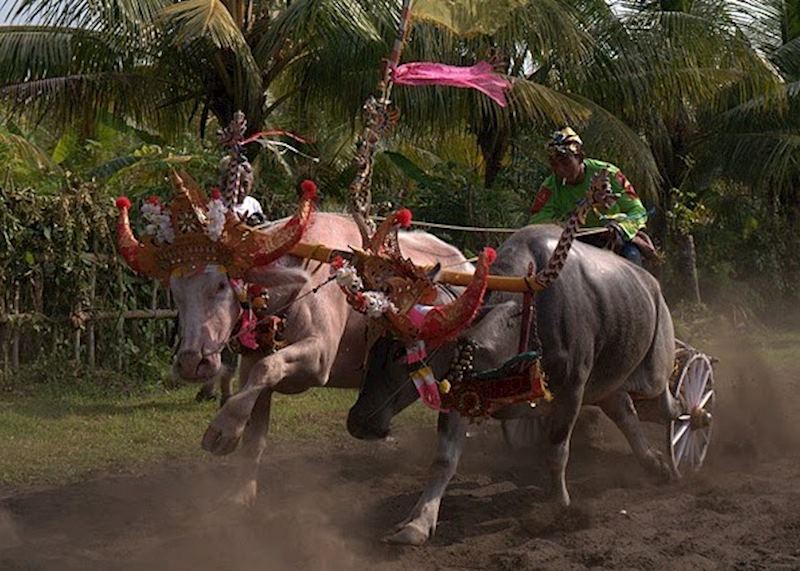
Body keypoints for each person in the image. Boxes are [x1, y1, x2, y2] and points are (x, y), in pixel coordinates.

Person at [530, 127, 654, 265]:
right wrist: (561, 226)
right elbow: (536, 221)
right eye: (554, 165)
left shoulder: (609, 173)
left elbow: (637, 211)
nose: (560, 170)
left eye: (565, 162)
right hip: (575, 240)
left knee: (632, 255)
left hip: (613, 238)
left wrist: (621, 228)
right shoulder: (550, 186)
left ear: (580, 158)